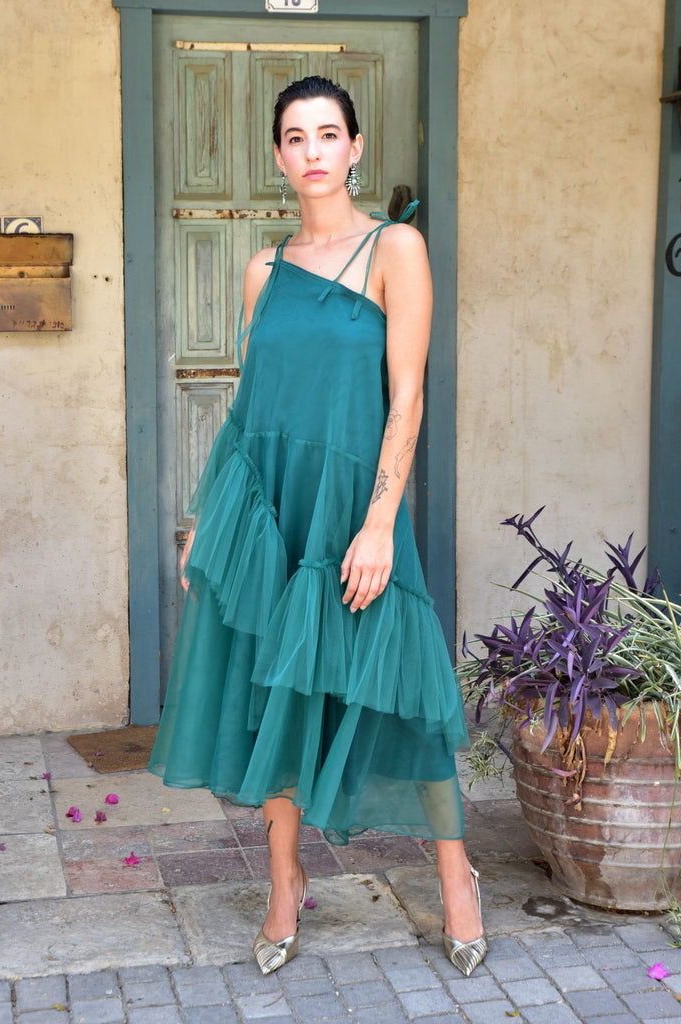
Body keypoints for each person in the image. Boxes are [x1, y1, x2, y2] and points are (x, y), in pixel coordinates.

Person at [149, 75, 487, 978]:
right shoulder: (264, 269)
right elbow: (247, 407)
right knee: (276, 690)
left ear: (355, 147)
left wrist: (379, 525)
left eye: (327, 134)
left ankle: (457, 878)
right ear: (277, 155)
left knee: (404, 687)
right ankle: (284, 882)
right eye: (295, 137)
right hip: (272, 512)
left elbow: (407, 398)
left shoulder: (395, 248)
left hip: (355, 509)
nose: (312, 152)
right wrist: (211, 522)